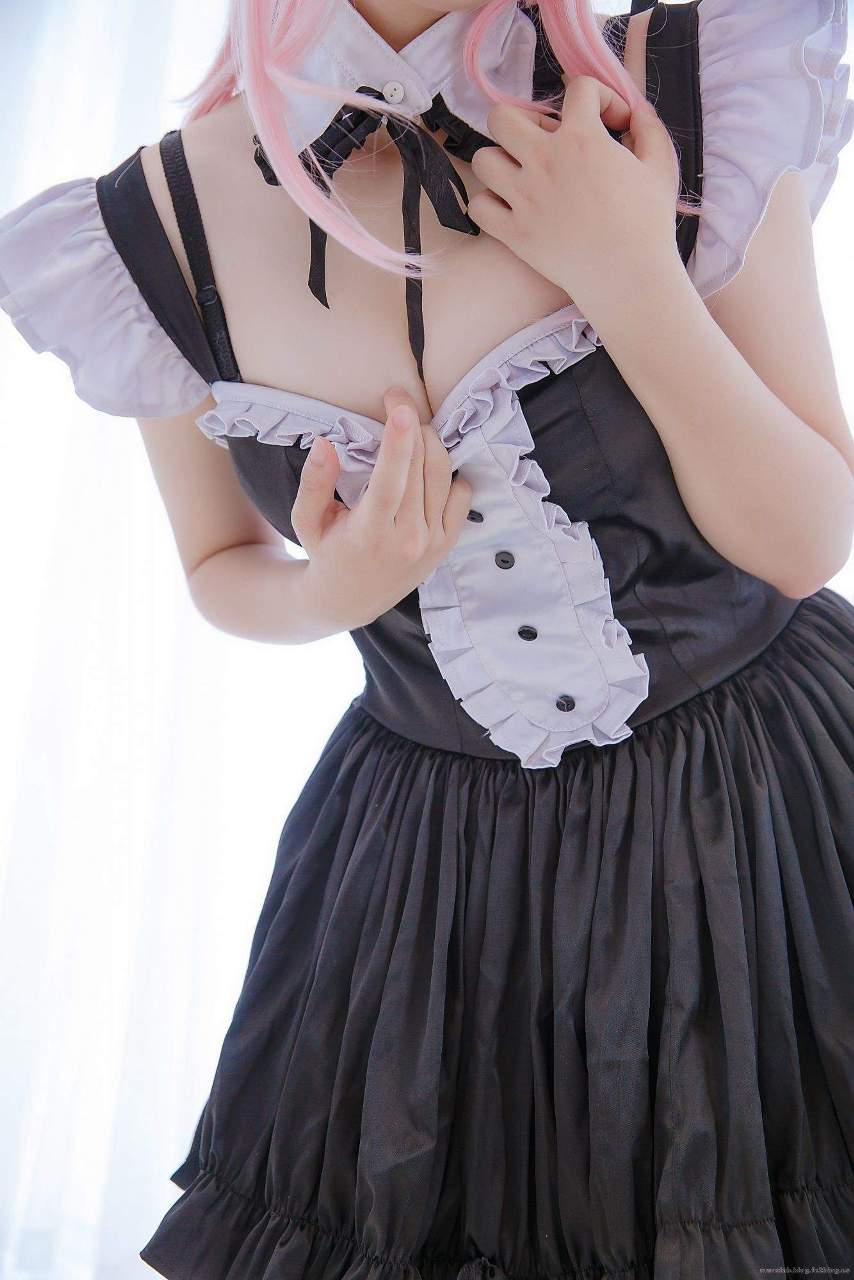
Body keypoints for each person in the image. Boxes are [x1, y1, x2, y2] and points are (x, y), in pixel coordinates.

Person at [1, 0, 853, 1274]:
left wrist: (627, 272)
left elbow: (801, 537)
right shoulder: (156, 221)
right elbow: (217, 568)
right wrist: (328, 591)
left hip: (764, 813)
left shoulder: (674, 85)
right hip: (426, 888)